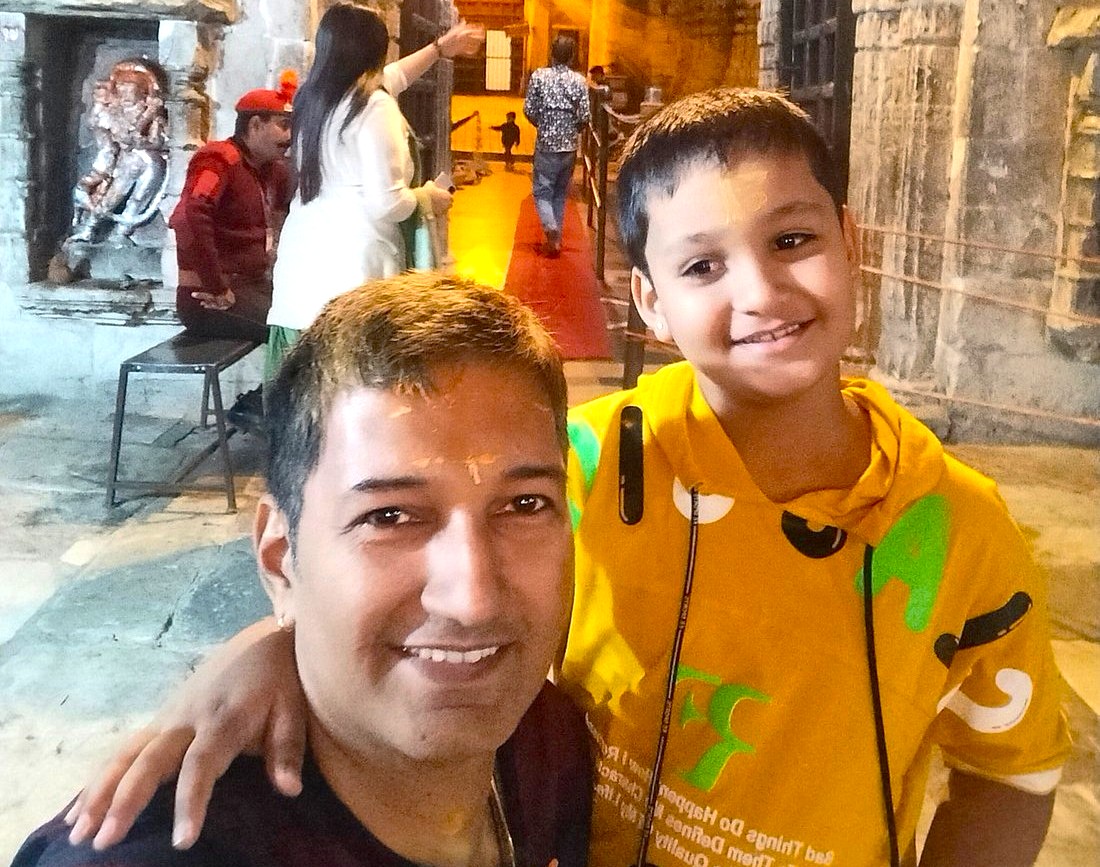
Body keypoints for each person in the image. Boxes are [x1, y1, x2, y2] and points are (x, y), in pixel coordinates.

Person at [64, 88, 1070, 867]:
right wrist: (268, 650)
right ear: (649, 303)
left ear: (853, 243)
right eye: (702, 266)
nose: (762, 290)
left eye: (793, 241)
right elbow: (401, 586)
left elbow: (1012, 771)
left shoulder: (960, 531)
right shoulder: (585, 464)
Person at [13, 275, 592, 867]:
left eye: (525, 505)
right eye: (388, 517)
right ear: (279, 559)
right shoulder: (158, 854)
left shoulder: (550, 749)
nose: (472, 600)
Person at [266, 3, 484, 383]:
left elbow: (395, 77)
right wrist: (428, 198)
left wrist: (439, 48)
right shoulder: (375, 106)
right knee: (350, 395)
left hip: (300, 276)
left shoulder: (312, 99)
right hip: (353, 274)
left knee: (302, 395)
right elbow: (389, 203)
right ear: (376, 51)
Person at [171, 82, 295, 345]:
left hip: (252, 286)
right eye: (283, 126)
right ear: (255, 125)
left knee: (309, 317)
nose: (290, 136)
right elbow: (191, 216)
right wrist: (215, 286)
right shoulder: (219, 160)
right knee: (291, 332)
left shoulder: (274, 169)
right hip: (211, 297)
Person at [523, 35, 589, 257]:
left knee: (542, 191)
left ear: (551, 54)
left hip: (546, 144)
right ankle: (556, 241)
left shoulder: (539, 76)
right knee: (560, 193)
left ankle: (550, 226)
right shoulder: (579, 81)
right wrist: (571, 130)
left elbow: (529, 109)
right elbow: (584, 116)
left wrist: (542, 124)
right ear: (572, 57)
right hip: (569, 146)